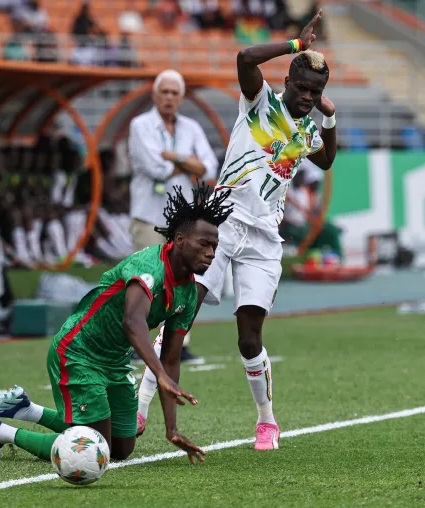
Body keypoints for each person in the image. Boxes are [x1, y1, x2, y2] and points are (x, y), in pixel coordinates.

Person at [135, 10, 337, 451]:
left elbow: (325, 161)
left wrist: (330, 118)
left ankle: (266, 419)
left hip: (264, 240)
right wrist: (297, 46)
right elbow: (246, 56)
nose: (307, 96)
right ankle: (143, 401)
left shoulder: (307, 128)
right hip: (220, 227)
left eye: (315, 92)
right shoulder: (260, 102)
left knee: (249, 336)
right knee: (180, 316)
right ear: (286, 82)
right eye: (302, 87)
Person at [0, 183, 233, 463]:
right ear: (179, 240)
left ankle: (27, 410)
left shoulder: (189, 293)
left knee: (121, 449)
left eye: (214, 246)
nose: (211, 253)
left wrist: (172, 429)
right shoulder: (149, 268)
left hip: (115, 363)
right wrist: (161, 376)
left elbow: (171, 358)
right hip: (78, 352)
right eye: (204, 244)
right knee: (95, 447)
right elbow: (133, 321)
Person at [127, 68, 220, 362]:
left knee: (181, 281)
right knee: (145, 283)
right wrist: (188, 163)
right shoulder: (140, 125)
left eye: (174, 93)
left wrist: (173, 157)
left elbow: (210, 168)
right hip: (148, 215)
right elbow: (155, 168)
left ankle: (177, 344)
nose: (168, 98)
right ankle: (139, 344)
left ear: (181, 98)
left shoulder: (191, 127)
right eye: (164, 92)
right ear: (155, 95)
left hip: (181, 222)